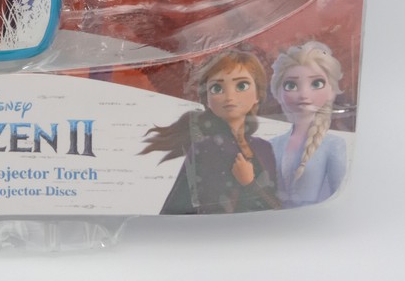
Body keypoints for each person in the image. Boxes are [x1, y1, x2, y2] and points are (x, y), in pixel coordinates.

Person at [141, 50, 280, 214]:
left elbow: (278, 209)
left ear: (258, 94)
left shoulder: (264, 148)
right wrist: (249, 185)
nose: (230, 96)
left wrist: (249, 183)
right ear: (206, 98)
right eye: (217, 88)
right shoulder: (207, 149)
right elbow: (210, 211)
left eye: (241, 86)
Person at [268, 41, 347, 207]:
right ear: (278, 92)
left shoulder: (334, 145)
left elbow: (341, 197)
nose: (304, 94)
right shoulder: (272, 144)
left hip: (315, 219)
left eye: (316, 84)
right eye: (291, 85)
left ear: (331, 90)